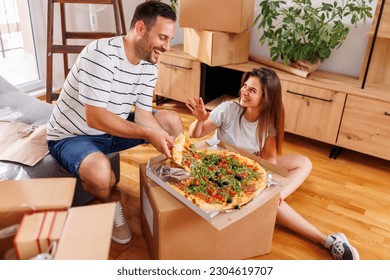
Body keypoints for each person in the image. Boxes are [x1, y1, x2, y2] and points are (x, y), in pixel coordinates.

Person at [185, 67, 359, 260]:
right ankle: (327, 240)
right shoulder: (228, 109)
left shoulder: (268, 122)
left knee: (304, 162)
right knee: (271, 200)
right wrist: (200, 120)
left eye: (252, 90)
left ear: (266, 98)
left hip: (251, 165)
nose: (244, 91)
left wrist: (272, 186)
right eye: (245, 86)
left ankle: (276, 197)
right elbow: (196, 133)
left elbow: (269, 159)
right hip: (225, 168)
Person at [46, 1, 183, 245]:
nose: (166, 46)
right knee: (101, 175)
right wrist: (148, 134)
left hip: (111, 128)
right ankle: (110, 206)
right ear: (140, 28)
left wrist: (162, 137)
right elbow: (95, 117)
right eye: (162, 37)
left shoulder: (150, 63)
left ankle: (174, 184)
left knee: (170, 121)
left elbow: (143, 116)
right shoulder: (101, 54)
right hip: (73, 135)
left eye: (169, 39)